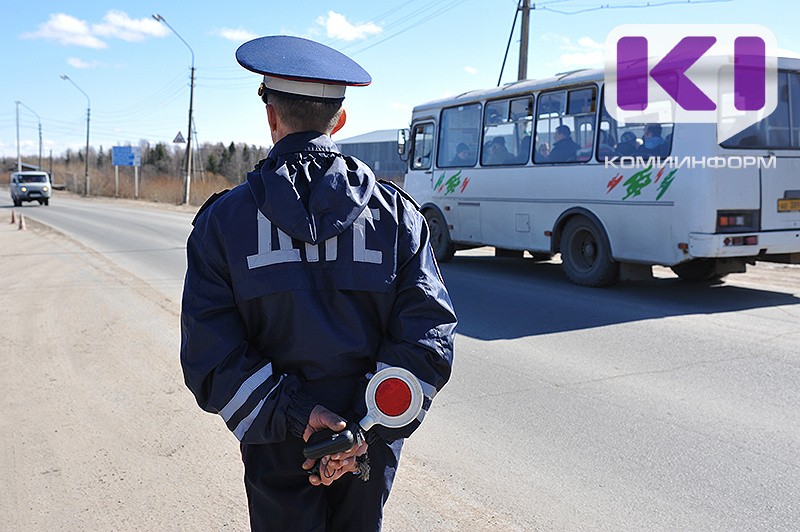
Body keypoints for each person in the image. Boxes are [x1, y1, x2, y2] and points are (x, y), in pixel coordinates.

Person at [180, 35, 457, 531]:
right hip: (366, 446)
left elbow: (209, 352)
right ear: (340, 120)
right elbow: (429, 337)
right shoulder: (398, 217)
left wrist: (299, 414)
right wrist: (359, 432)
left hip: (276, 445)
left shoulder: (223, 222)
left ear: (271, 119)